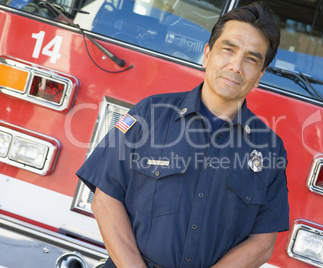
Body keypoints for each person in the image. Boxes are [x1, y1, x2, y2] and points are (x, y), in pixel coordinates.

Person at [76, 2, 289, 267]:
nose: (236, 66)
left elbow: (262, 244)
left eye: (251, 59)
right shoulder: (150, 113)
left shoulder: (269, 149)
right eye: (228, 50)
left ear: (259, 75)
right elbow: (105, 200)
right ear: (207, 54)